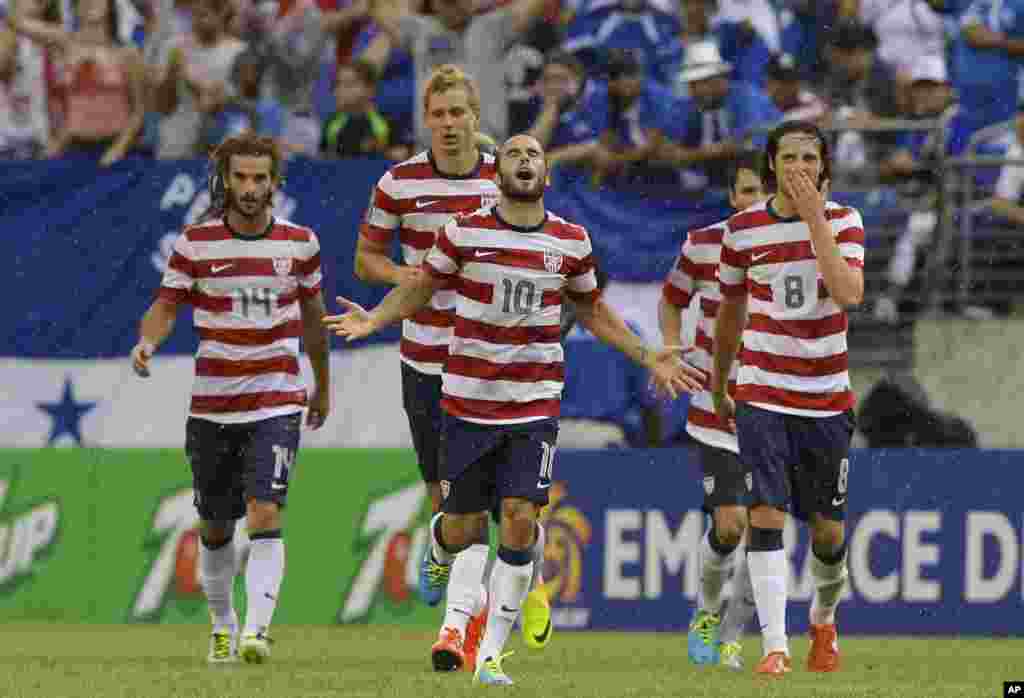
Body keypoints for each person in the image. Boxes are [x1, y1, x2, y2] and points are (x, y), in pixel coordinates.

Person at [326, 133, 704, 685]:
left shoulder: (571, 241)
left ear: (546, 176)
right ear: (496, 173)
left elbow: (593, 311)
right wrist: (374, 321)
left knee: (521, 521)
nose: (524, 161)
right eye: (514, 155)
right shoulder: (465, 233)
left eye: (534, 156)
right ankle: (438, 543)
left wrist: (648, 354)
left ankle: (484, 652)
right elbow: (420, 289)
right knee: (460, 526)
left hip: (532, 406)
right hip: (466, 400)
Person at [354, 63, 548, 672]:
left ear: (475, 116)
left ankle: (458, 631)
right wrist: (400, 275)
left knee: (502, 504)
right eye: (437, 114)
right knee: (451, 502)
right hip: (427, 362)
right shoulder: (398, 184)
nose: (447, 124)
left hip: (494, 365)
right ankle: (478, 590)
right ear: (426, 121)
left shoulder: (504, 180)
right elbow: (365, 257)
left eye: (457, 112)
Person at [129, 133, 331, 664]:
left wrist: (322, 386)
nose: (249, 187)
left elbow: (314, 321)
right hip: (213, 407)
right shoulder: (195, 244)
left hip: (276, 401)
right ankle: (223, 623)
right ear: (223, 179)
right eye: (239, 177)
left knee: (266, 511)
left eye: (259, 178)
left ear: (274, 182)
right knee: (216, 527)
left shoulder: (300, 244)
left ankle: (258, 632)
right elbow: (165, 306)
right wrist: (148, 341)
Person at [712, 121, 865, 676]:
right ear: (771, 164)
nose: (799, 166)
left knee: (828, 534)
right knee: (765, 514)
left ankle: (823, 621)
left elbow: (848, 295)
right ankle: (774, 648)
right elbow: (729, 312)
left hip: (825, 397)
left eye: (810, 157)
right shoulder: (743, 230)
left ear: (824, 166)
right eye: (789, 157)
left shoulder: (845, 220)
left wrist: (814, 219)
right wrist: (717, 381)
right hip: (762, 391)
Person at [659, 149, 766, 670]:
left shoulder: (796, 248)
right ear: (731, 196)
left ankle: (734, 634)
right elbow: (672, 298)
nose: (753, 201)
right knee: (729, 525)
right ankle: (705, 612)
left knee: (764, 530)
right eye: (745, 191)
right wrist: (672, 349)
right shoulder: (702, 246)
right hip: (714, 409)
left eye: (761, 192)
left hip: (775, 409)